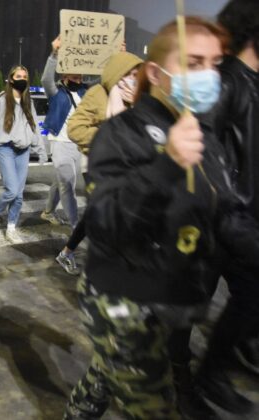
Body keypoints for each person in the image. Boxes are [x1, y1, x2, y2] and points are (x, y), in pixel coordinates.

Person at [63, 17, 259, 419]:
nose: (208, 76)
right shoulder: (120, 134)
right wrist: (167, 165)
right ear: (156, 72)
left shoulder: (203, 136)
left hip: (171, 298)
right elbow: (107, 224)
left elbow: (228, 215)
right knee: (153, 407)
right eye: (193, 62)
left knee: (104, 375)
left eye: (215, 63)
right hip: (123, 300)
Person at [164, 1, 259, 418]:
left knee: (250, 299)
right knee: (185, 312)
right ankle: (182, 382)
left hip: (244, 222)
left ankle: (214, 371)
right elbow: (199, 151)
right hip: (215, 222)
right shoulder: (222, 83)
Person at [53, 51, 142, 275]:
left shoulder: (140, 97)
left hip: (128, 166)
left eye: (136, 73)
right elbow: (76, 129)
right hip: (98, 164)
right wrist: (107, 136)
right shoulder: (97, 93)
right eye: (129, 73)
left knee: (97, 213)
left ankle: (67, 252)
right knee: (109, 215)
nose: (133, 77)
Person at [0, 66, 47, 243]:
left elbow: (34, 127)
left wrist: (40, 150)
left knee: (18, 194)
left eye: (25, 77)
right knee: (11, 189)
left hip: (23, 150)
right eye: (19, 76)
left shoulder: (28, 101)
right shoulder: (2, 100)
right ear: (11, 79)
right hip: (5, 148)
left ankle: (11, 228)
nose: (22, 79)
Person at [40, 35, 87, 229]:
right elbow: (45, 78)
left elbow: (107, 80)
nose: (78, 79)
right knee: (68, 184)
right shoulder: (55, 91)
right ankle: (76, 225)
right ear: (64, 76)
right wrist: (54, 53)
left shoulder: (86, 91)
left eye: (80, 76)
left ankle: (48, 211)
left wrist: (119, 53)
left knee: (61, 180)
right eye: (74, 76)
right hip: (60, 141)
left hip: (80, 144)